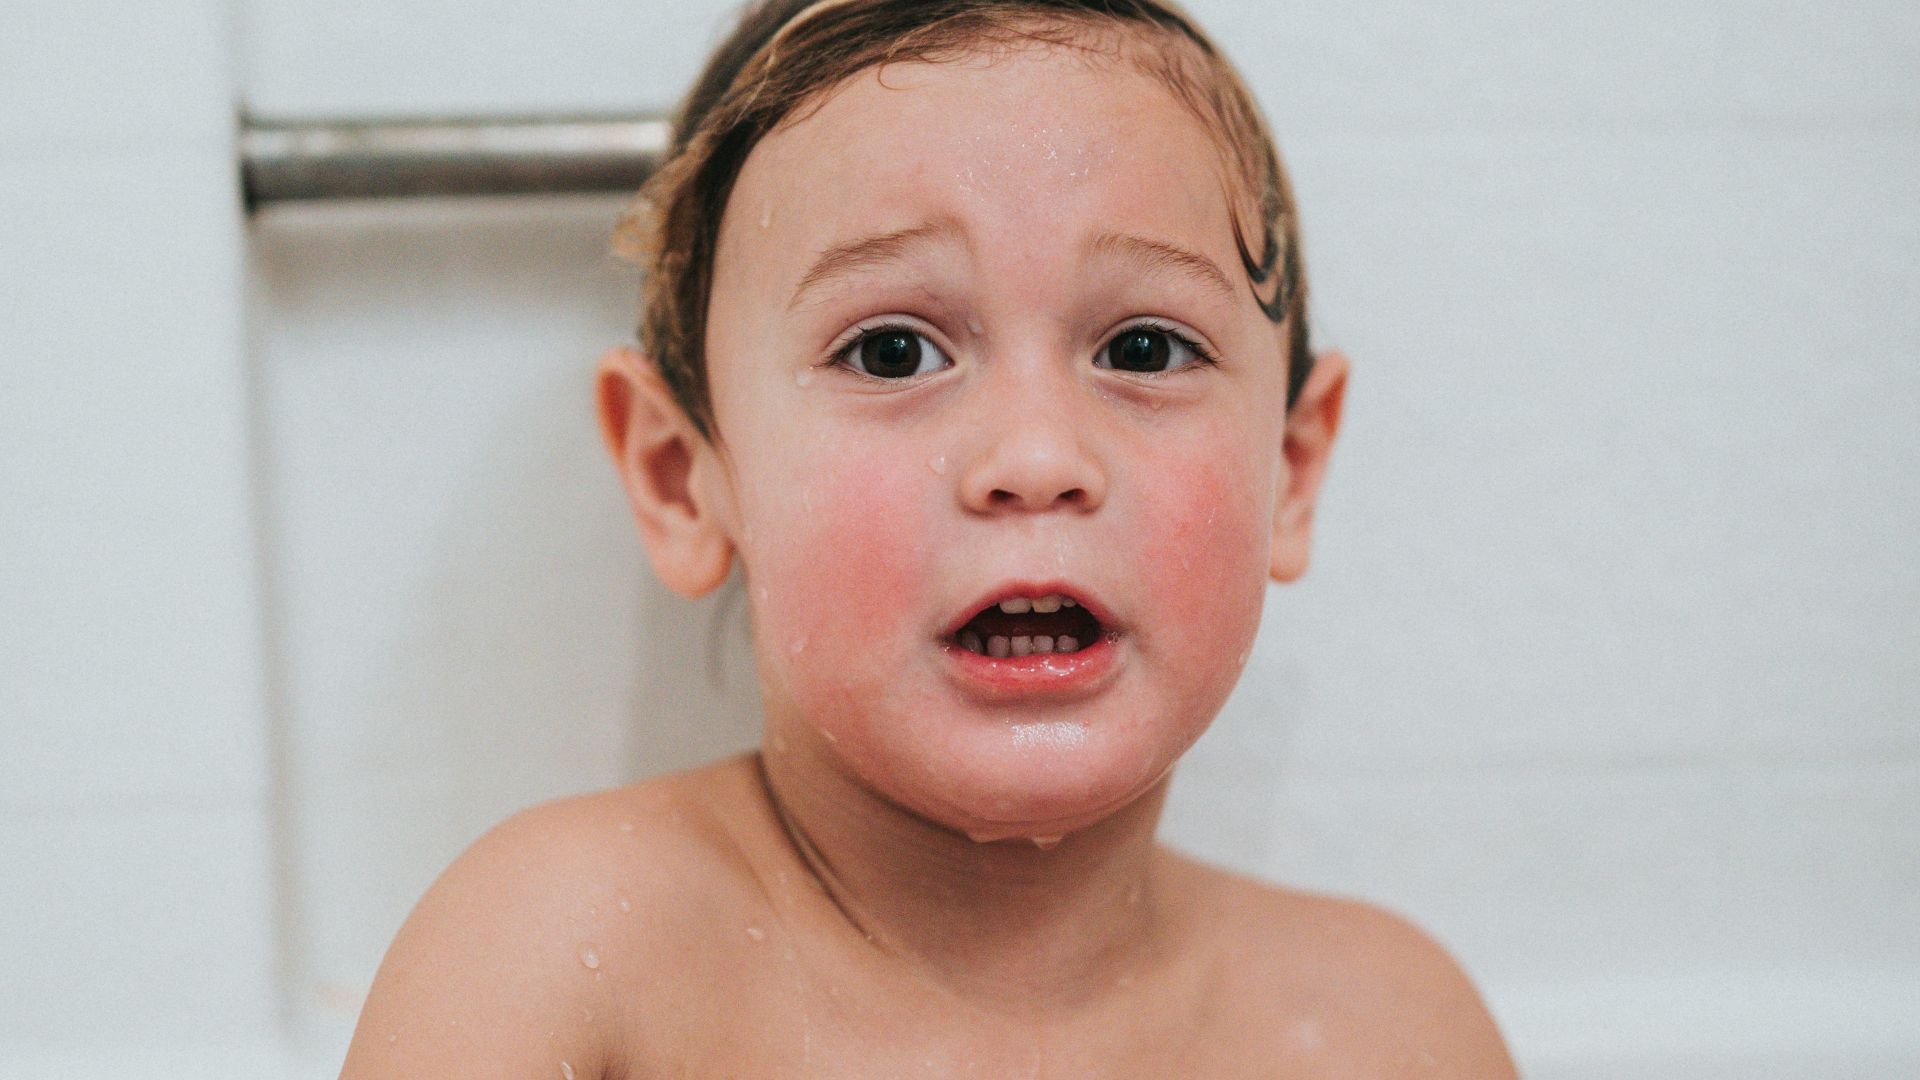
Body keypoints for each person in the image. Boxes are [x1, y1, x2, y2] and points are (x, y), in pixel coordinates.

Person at [341, 1, 1519, 1075]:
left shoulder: (1385, 1029)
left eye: (1144, 349)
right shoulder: (563, 958)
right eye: (892, 351)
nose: (1037, 461)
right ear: (682, 478)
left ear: (1292, 469)